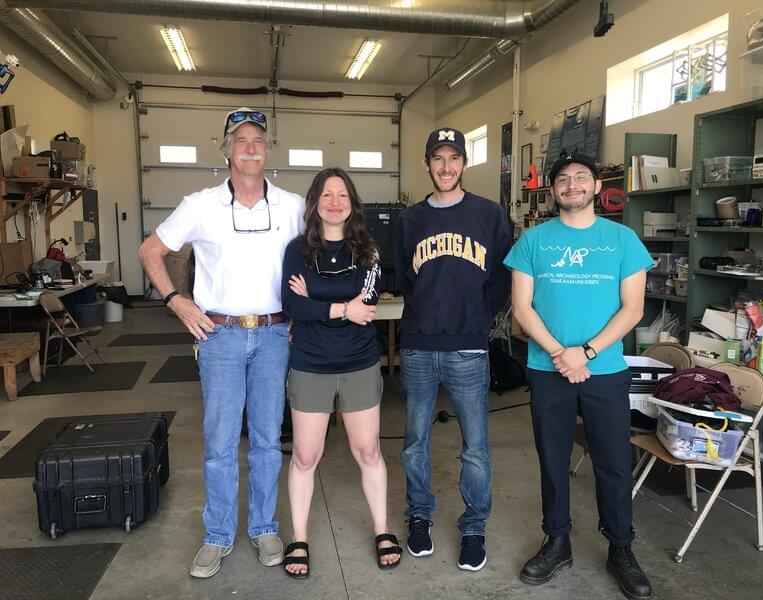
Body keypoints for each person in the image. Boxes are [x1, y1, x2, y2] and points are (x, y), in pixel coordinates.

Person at [138, 107, 305, 579]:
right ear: (227, 149)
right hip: (220, 336)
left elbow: (312, 257)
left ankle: (265, 526)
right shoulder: (200, 205)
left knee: (270, 440)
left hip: (274, 335)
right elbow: (151, 251)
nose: (251, 147)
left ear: (267, 150)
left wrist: (301, 315)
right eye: (241, 140)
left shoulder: (292, 206)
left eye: (258, 140)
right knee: (219, 442)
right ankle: (217, 534)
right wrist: (177, 301)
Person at [503, 153, 653, 599]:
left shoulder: (623, 240)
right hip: (547, 370)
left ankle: (621, 548)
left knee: (613, 461)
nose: (572, 185)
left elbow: (634, 308)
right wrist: (558, 353)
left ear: (596, 185)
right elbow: (522, 307)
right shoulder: (533, 241)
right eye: (563, 180)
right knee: (553, 460)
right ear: (552, 190)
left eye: (580, 178)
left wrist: (585, 352)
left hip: (605, 369)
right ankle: (557, 541)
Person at [393, 127, 511, 572]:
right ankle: (419, 516)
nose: (446, 167)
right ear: (426, 163)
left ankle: (474, 526)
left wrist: (478, 317)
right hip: (420, 345)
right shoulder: (410, 221)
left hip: (469, 348)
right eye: (437, 158)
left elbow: (501, 275)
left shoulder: (489, 214)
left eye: (454, 158)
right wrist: (425, 313)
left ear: (463, 163)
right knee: (414, 442)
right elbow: (405, 277)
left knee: (475, 447)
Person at [280, 167, 403, 578]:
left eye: (343, 195)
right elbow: (293, 307)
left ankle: (381, 529)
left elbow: (366, 307)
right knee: (305, 455)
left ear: (353, 204)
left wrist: (315, 294)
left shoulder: (368, 250)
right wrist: (340, 307)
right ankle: (299, 537)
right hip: (310, 364)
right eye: (327, 195)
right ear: (314, 202)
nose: (335, 202)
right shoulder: (297, 250)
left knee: (368, 452)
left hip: (358, 363)